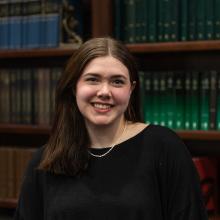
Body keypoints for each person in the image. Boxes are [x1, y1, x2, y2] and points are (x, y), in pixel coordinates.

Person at [14, 37, 208, 220]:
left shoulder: (164, 147)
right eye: (93, 79)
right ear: (74, 87)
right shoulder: (46, 160)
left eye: (117, 81)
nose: (105, 92)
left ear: (131, 89)